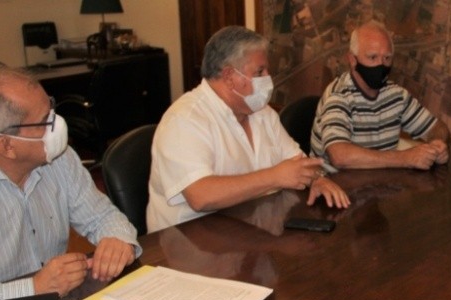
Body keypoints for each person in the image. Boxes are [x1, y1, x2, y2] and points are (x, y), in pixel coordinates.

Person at [146, 26, 350, 233]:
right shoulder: (184, 120)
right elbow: (201, 196)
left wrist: (319, 179)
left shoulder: (262, 113)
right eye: (259, 72)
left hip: (248, 232)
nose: (268, 78)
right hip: (187, 245)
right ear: (228, 76)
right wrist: (274, 176)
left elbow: (298, 162)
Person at [0, 65, 140, 300]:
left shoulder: (60, 159)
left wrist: (117, 240)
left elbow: (102, 216)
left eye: (52, 110)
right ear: (7, 146)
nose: (58, 125)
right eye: (44, 122)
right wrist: (34, 287)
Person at [310, 20, 450, 170]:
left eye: (387, 58)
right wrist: (405, 158)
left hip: (378, 186)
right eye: (372, 57)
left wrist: (438, 143)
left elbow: (437, 127)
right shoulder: (338, 96)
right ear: (352, 60)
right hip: (334, 188)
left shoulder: (396, 95)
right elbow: (339, 156)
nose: (381, 65)